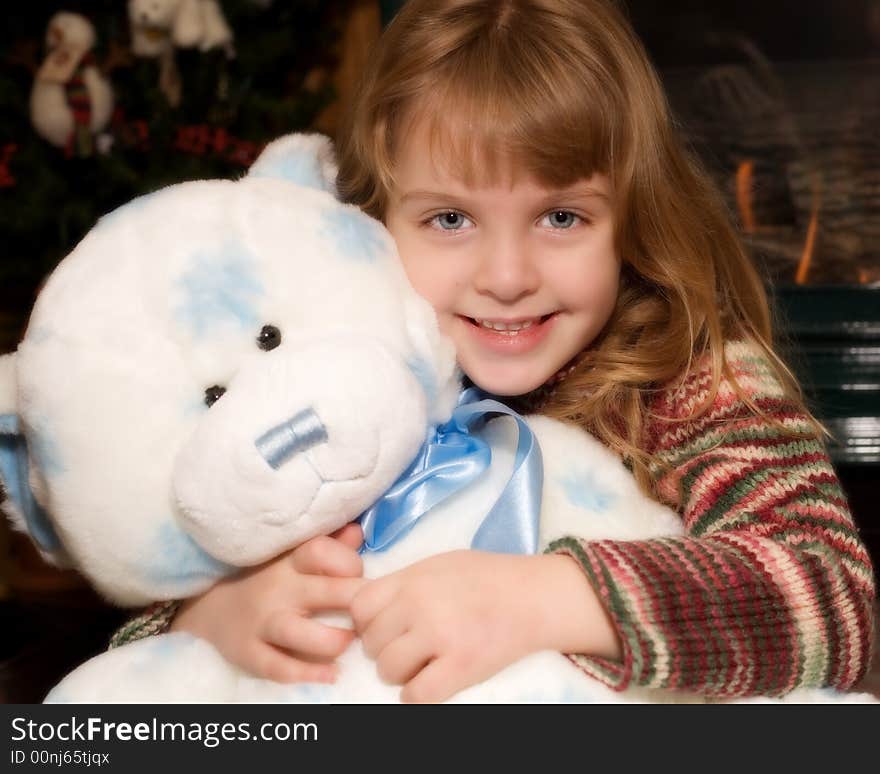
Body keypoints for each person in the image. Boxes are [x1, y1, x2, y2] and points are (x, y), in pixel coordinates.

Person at [112, 0, 875, 701]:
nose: (506, 278)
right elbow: (125, 660)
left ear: (633, 219)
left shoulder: (688, 383)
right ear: (372, 223)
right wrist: (212, 619)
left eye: (562, 217)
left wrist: (549, 598)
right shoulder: (321, 376)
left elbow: (837, 600)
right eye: (450, 220)